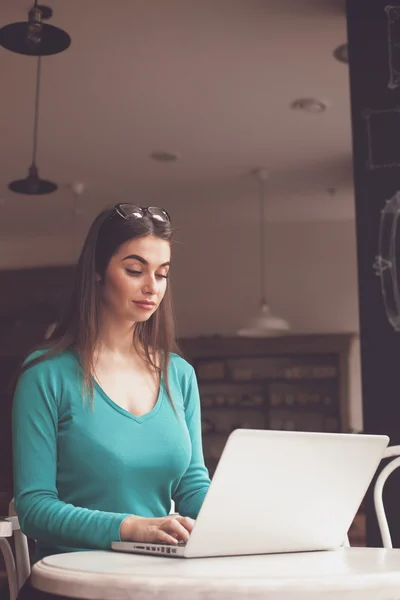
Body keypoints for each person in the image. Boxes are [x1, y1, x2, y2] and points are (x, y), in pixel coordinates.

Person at [13, 203, 211, 600]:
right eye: (135, 270)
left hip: (159, 582)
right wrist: (130, 527)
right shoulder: (46, 374)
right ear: (99, 271)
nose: (151, 286)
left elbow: (191, 485)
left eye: (162, 274)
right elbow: (34, 508)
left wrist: (255, 520)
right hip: (73, 584)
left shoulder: (179, 375)